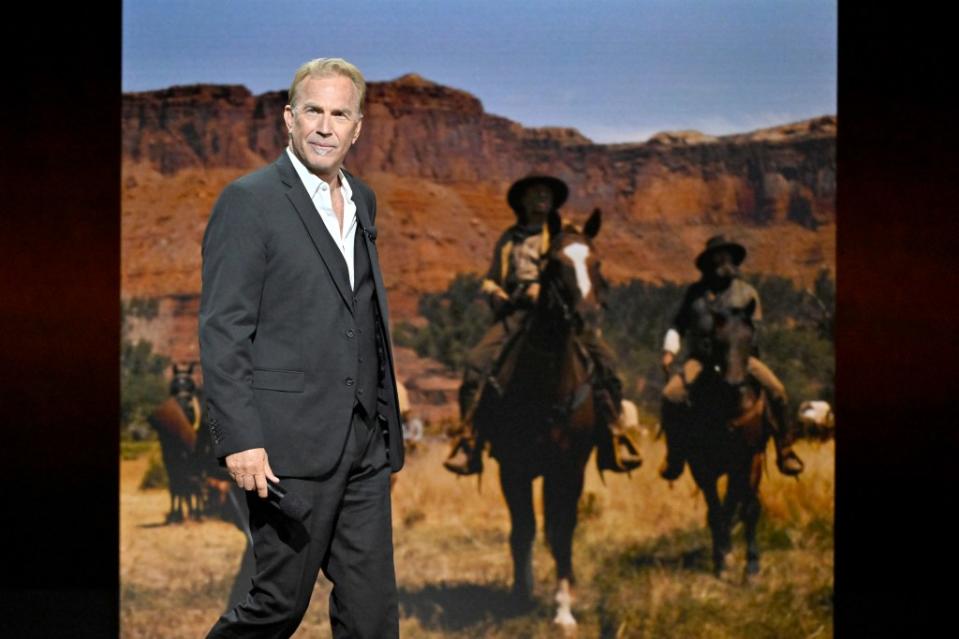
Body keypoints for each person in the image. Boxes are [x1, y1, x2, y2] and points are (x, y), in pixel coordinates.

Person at [199, 58, 404, 639]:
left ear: (357, 128)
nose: (325, 126)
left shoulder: (364, 199)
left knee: (373, 617)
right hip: (287, 448)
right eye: (313, 110)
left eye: (340, 113)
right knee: (276, 607)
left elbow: (358, 309)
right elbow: (223, 327)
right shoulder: (249, 200)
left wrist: (385, 414)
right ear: (288, 119)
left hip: (363, 440)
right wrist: (240, 438)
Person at [443, 175, 642, 476]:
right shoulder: (509, 239)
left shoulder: (562, 235)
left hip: (561, 315)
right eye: (535, 193)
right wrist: (496, 292)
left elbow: (577, 268)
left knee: (607, 364)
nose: (541, 198)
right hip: (516, 313)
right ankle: (469, 438)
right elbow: (490, 278)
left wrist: (547, 289)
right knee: (476, 364)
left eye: (546, 194)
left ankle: (614, 433)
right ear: (522, 201)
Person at [658, 235, 805, 480]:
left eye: (727, 256)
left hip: (740, 358)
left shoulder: (747, 293)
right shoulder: (695, 294)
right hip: (701, 359)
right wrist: (669, 351)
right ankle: (675, 456)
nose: (722, 262)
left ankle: (785, 449)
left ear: (733, 260)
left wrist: (738, 347)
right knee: (670, 396)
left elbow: (755, 329)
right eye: (717, 256)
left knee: (778, 391)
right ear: (708, 262)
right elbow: (678, 324)